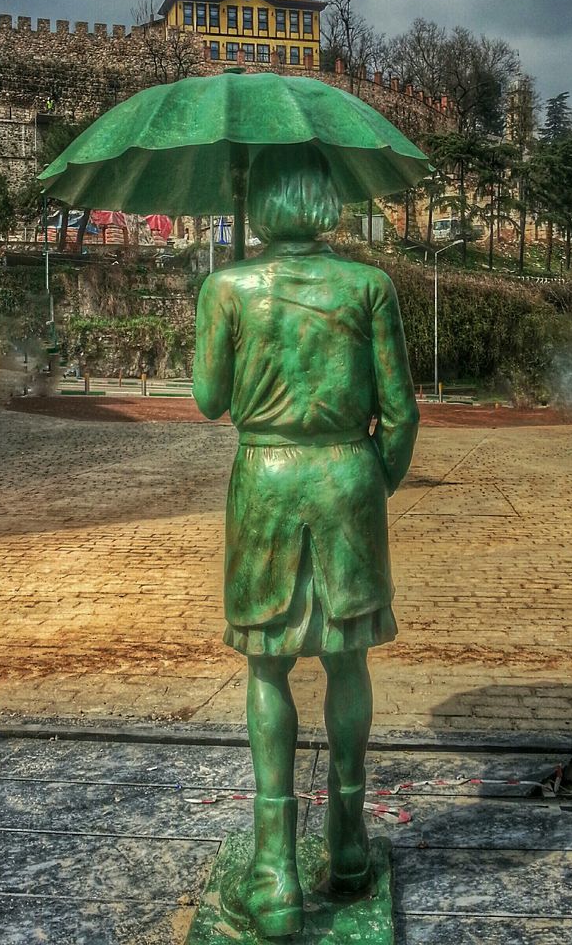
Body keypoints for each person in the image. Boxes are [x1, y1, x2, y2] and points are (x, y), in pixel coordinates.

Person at [193, 143, 419, 938]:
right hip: (346, 479)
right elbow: (401, 415)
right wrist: (367, 486)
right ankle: (349, 845)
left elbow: (209, 401)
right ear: (325, 201)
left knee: (267, 666)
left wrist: (225, 299)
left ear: (259, 206)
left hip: (266, 482)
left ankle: (274, 871)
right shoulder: (370, 287)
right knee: (347, 657)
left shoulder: (227, 288)